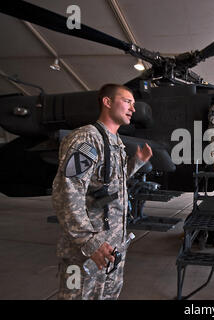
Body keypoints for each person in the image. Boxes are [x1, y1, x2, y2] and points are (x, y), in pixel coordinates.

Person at [52, 83, 153, 299]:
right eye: (127, 101)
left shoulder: (115, 141)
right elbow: (67, 192)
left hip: (111, 245)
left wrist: (137, 162)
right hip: (86, 249)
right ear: (107, 102)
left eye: (134, 104)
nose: (133, 109)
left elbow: (109, 181)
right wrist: (90, 241)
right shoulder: (87, 140)